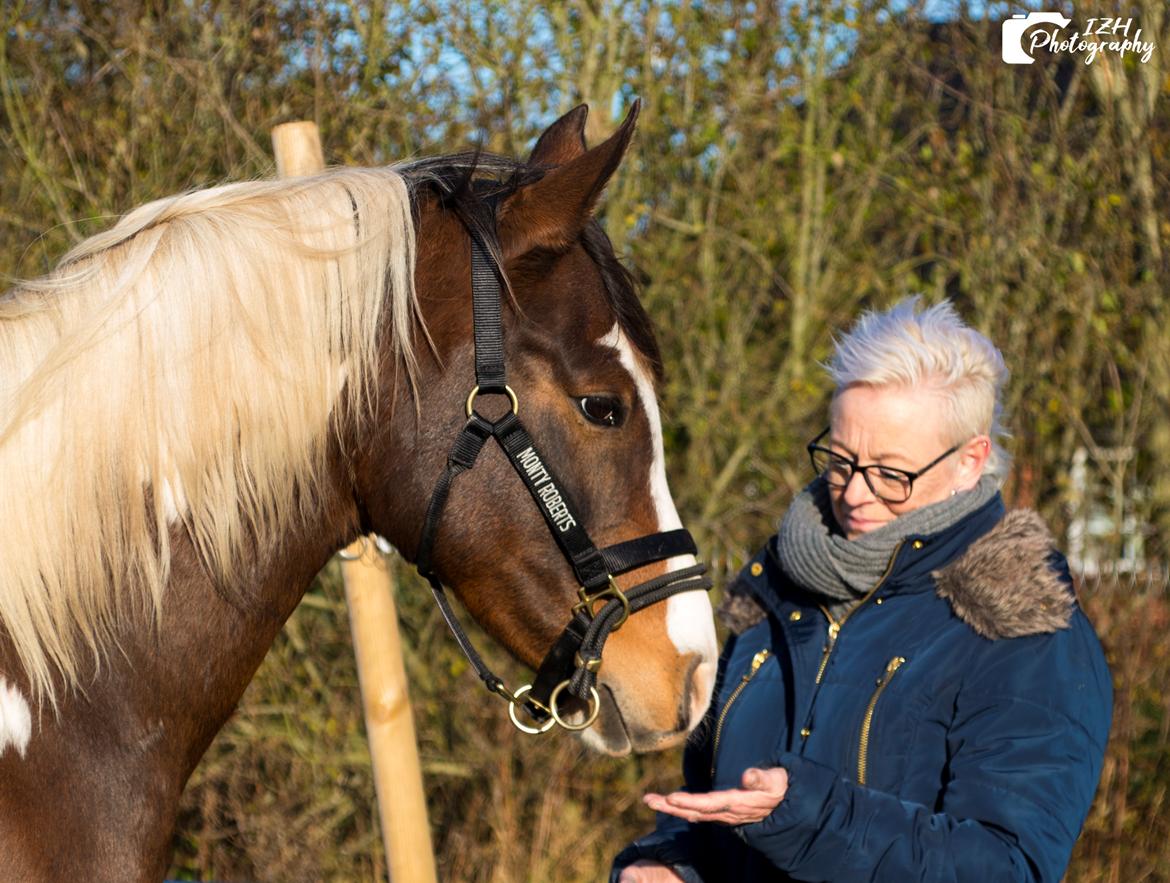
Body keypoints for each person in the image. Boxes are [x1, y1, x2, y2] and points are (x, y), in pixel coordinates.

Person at [611, 297, 1113, 883]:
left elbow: (1007, 867)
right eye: (842, 461)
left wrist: (809, 817)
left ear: (970, 461)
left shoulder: (1023, 632)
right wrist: (672, 862)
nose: (853, 493)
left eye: (891, 473)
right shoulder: (773, 594)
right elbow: (713, 802)